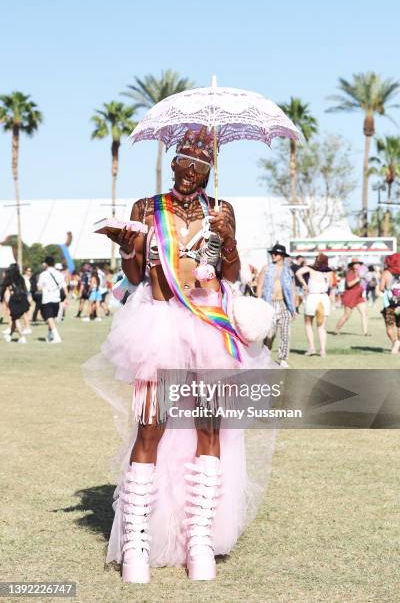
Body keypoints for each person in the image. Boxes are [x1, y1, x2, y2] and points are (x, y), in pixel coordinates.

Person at [85, 127, 277, 584]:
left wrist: (228, 241)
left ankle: (200, 542)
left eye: (199, 162)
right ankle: (136, 544)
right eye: (183, 160)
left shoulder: (222, 210)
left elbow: (230, 276)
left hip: (209, 325)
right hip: (159, 325)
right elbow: (134, 276)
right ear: (171, 162)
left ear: (211, 168)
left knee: (208, 428)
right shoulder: (146, 208)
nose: (190, 170)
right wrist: (130, 249)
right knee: (152, 426)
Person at [257, 243, 296, 367]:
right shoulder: (266, 268)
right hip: (269, 303)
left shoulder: (288, 270)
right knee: (270, 333)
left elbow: (293, 289)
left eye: (276, 253)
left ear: (282, 256)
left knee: (285, 332)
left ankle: (283, 358)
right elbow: (260, 285)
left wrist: (293, 308)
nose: (273, 255)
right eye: (273, 253)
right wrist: (259, 302)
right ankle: (265, 355)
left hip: (284, 304)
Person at [296, 253, 332, 357]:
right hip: (324, 298)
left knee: (308, 324)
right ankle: (323, 350)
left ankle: (312, 348)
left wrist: (304, 284)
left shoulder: (310, 268)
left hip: (312, 297)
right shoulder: (329, 271)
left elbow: (298, 273)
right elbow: (329, 285)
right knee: (321, 327)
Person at [379, 253, 400, 354]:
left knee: (389, 326)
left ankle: (395, 342)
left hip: (390, 305)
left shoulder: (386, 273)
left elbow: (381, 288)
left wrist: (389, 291)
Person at [334, 258, 368, 336]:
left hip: (358, 296)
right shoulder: (350, 273)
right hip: (350, 296)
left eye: (359, 263)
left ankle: (365, 332)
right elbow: (349, 284)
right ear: (352, 266)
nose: (358, 265)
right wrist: (358, 279)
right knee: (346, 316)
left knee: (364, 313)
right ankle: (336, 329)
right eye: (356, 264)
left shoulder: (359, 273)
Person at [37, 255, 66, 343]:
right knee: (52, 318)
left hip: (47, 298)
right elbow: (62, 285)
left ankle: (56, 336)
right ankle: (50, 335)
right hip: (57, 299)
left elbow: (39, 287)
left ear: (45, 264)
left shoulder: (44, 274)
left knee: (49, 318)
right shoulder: (59, 274)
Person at [0, 264, 30, 343]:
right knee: (14, 318)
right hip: (23, 299)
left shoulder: (9, 277)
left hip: (14, 299)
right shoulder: (21, 278)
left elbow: (3, 288)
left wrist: (1, 298)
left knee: (15, 319)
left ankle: (22, 337)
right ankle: (9, 335)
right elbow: (25, 289)